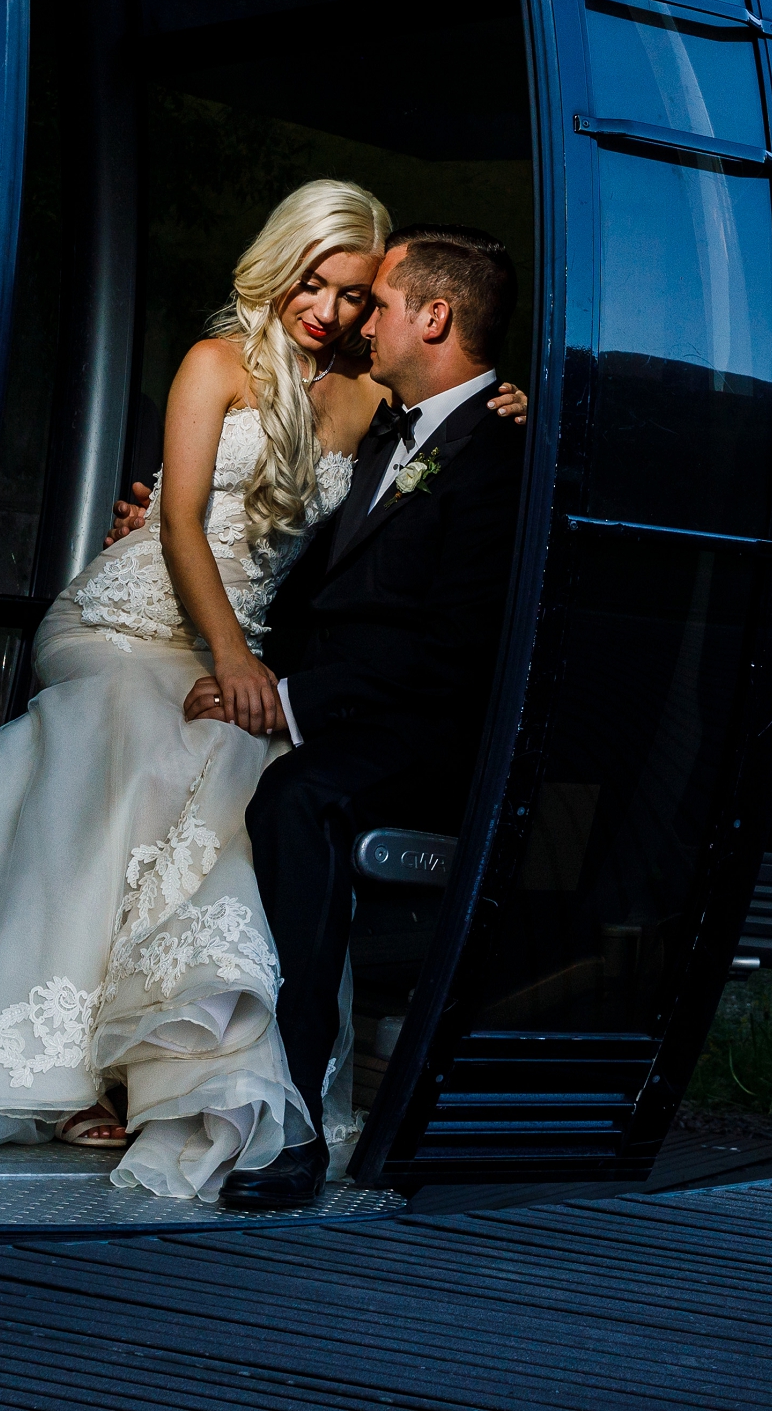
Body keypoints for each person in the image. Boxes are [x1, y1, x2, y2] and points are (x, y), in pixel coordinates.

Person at [0, 182, 518, 1199]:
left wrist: (514, 399)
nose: (333, 312)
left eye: (355, 295)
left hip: (237, 650)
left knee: (237, 768)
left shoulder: (377, 399)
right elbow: (182, 521)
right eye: (317, 285)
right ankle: (64, 1059)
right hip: (130, 618)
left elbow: (450, 432)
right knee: (143, 734)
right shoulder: (214, 363)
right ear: (279, 266)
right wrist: (227, 652)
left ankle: (154, 1063)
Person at [206, 223, 527, 1211]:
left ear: (433, 317)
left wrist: (285, 702)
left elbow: (451, 650)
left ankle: (296, 1127)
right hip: (349, 707)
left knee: (294, 800)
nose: (361, 323)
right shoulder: (388, 426)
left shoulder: (501, 453)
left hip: (424, 731)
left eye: (378, 303)